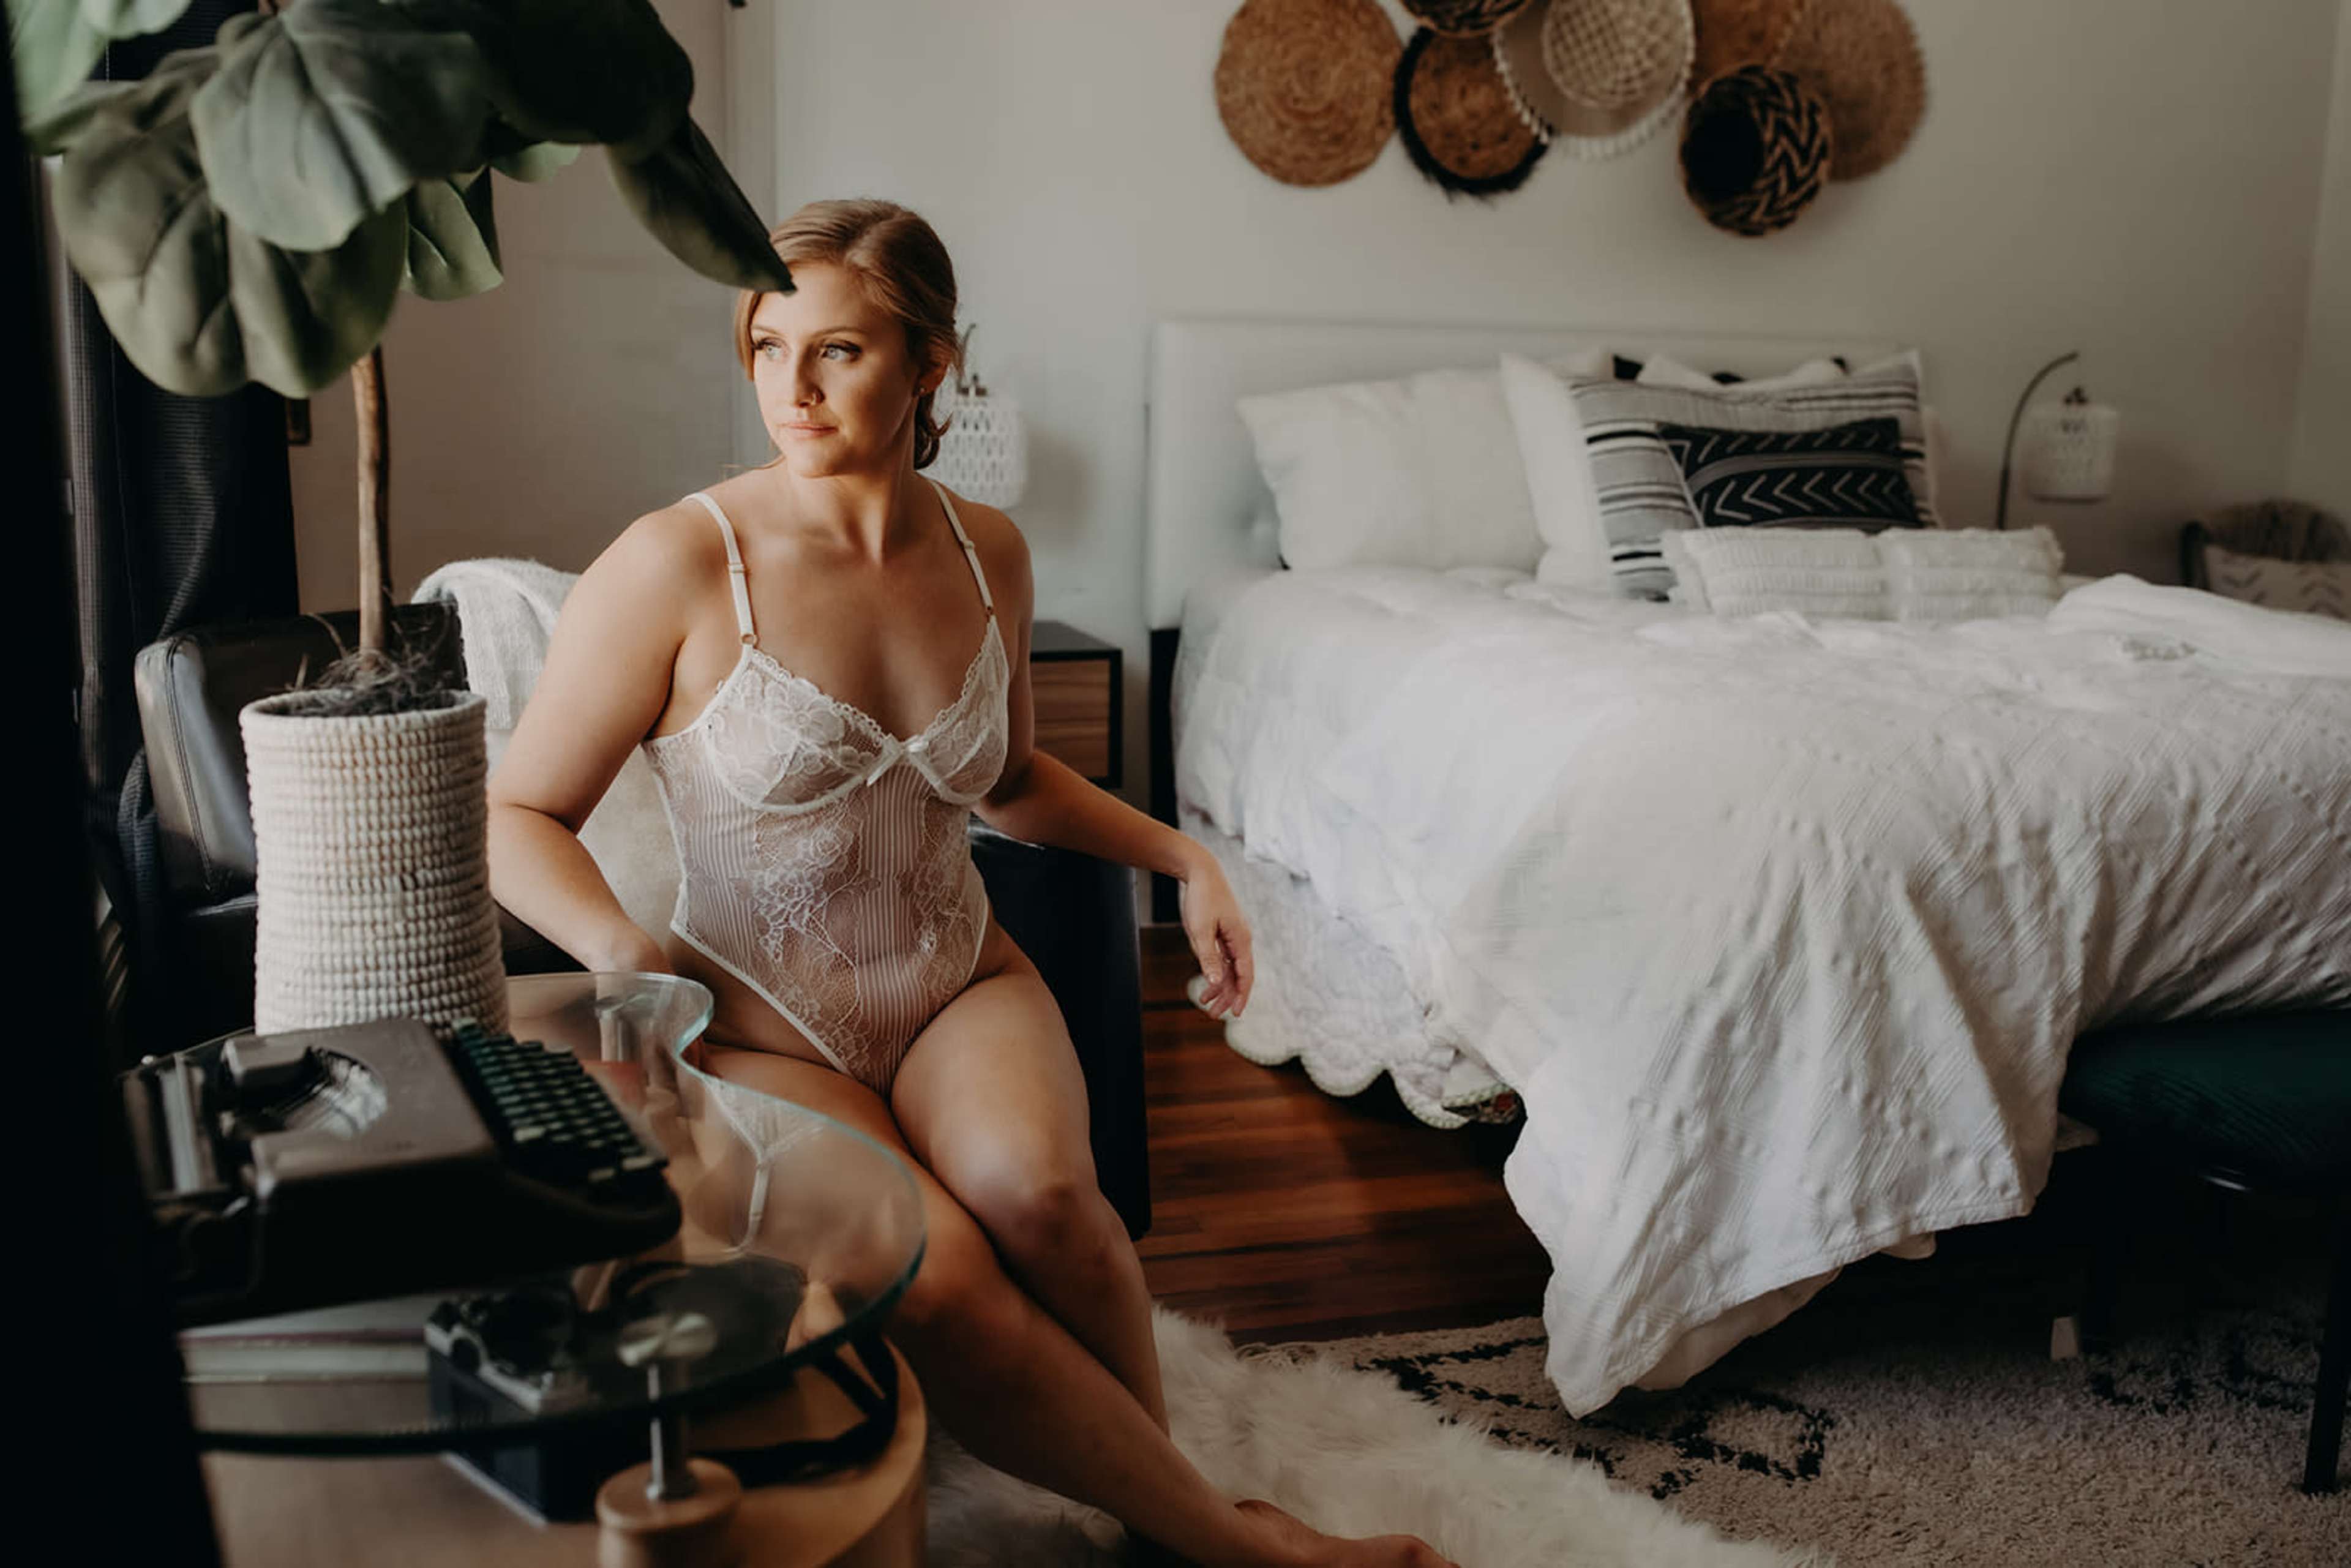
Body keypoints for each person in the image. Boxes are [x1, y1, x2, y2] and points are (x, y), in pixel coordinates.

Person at [487, 199, 1450, 1568]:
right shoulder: (682, 561)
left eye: (837, 350)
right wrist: (614, 946)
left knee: (1051, 1204)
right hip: (760, 1023)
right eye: (767, 347)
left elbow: (1006, 780)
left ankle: (1156, 1509)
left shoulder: (987, 548)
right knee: (934, 1275)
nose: (792, 387)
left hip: (955, 982)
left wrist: (1186, 854)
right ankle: (1229, 1542)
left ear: (931, 363)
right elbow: (516, 811)